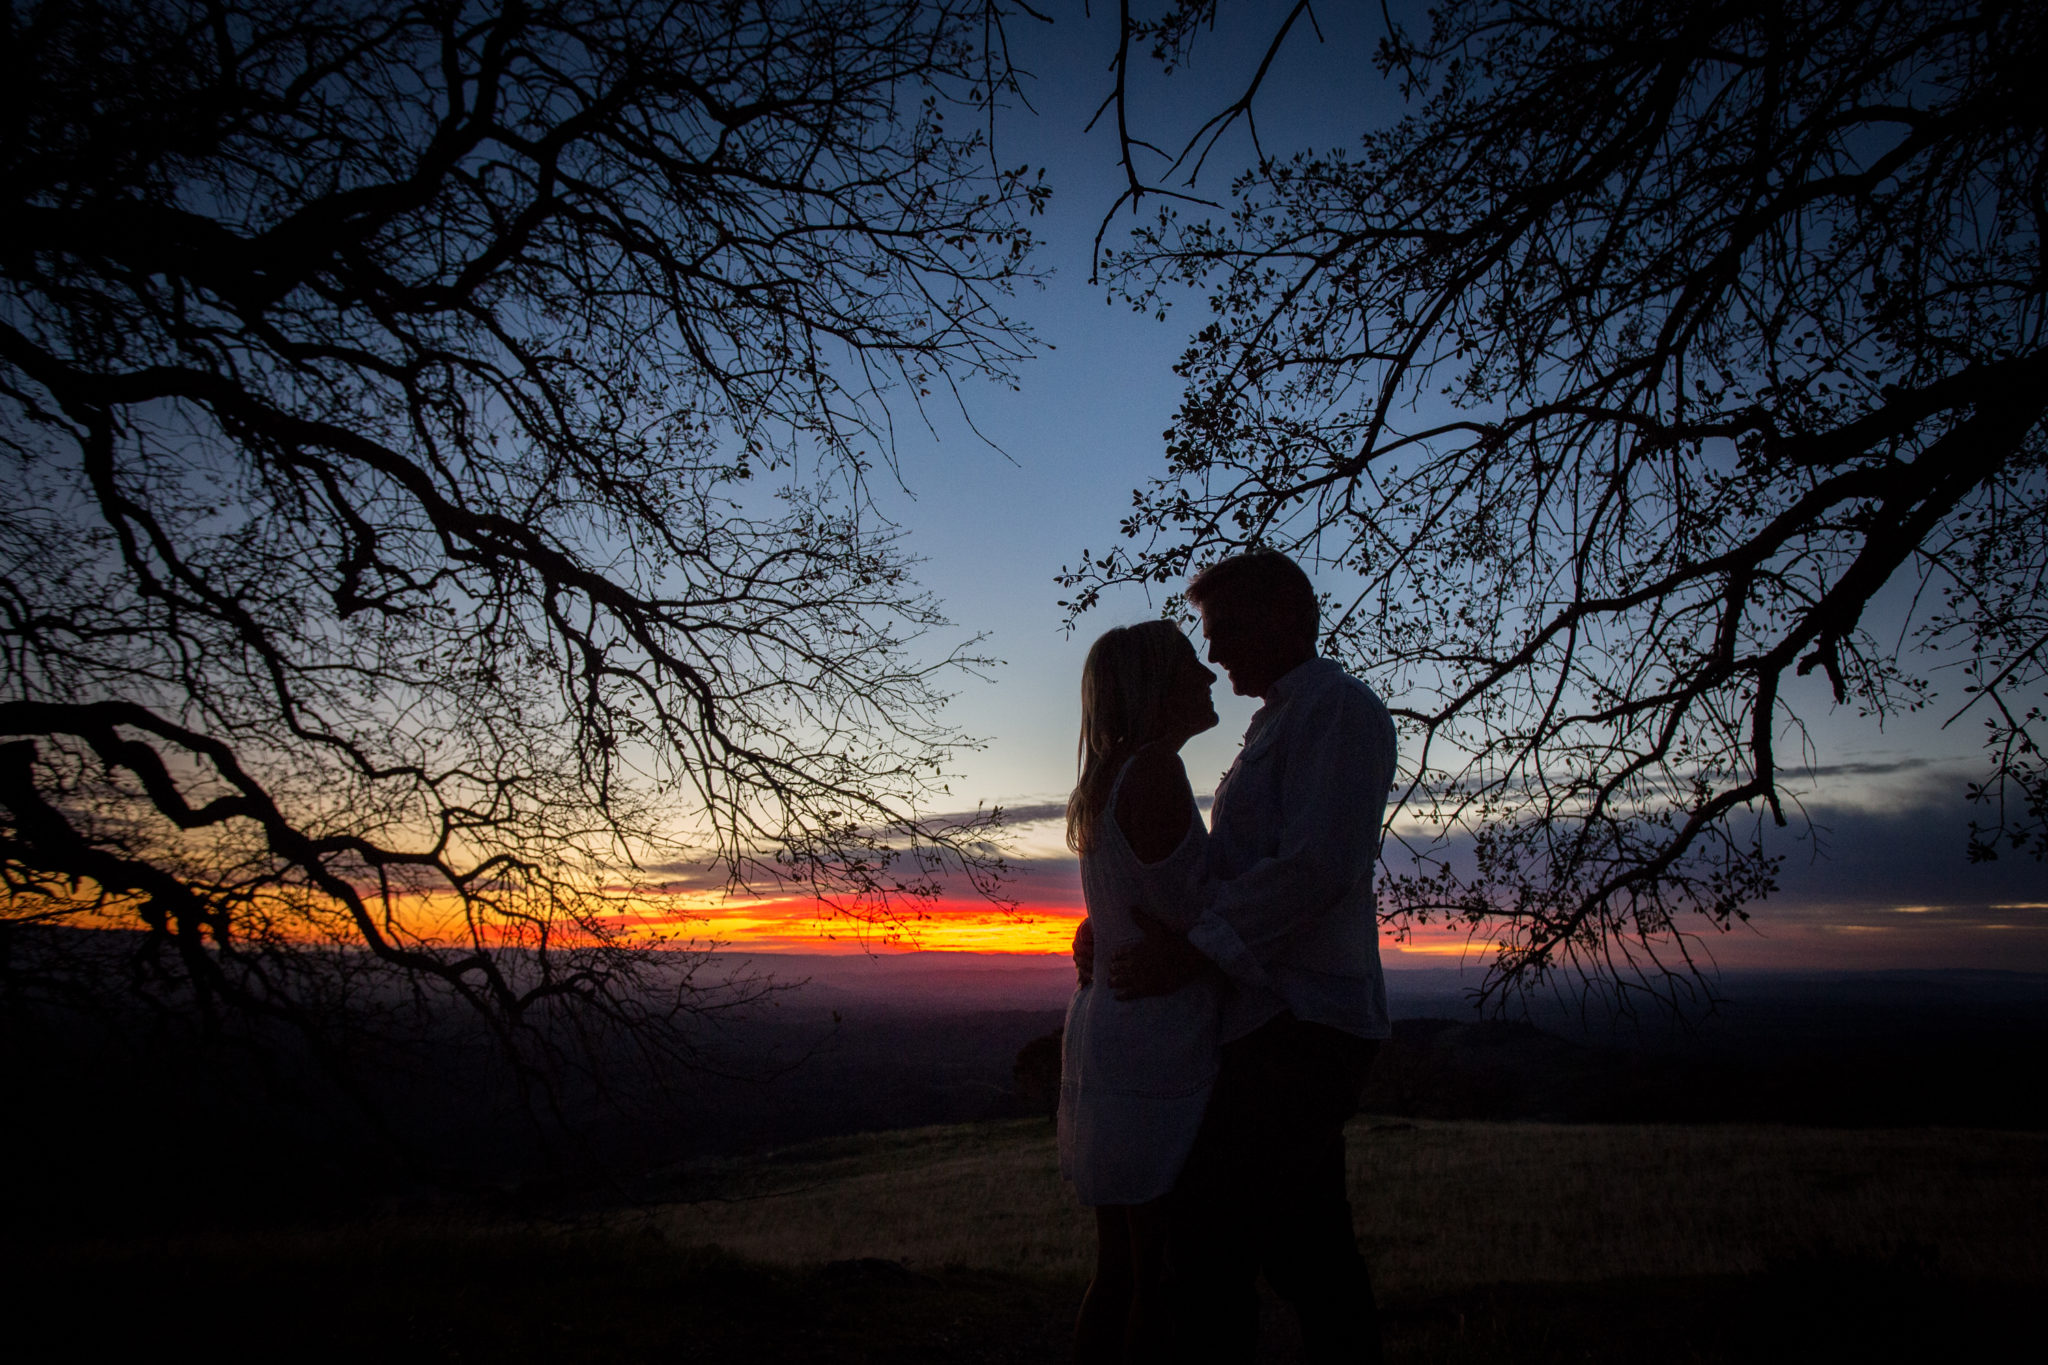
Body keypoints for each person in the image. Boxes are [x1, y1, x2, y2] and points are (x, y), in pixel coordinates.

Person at [1099, 549, 1399, 1364]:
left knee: (1218, 1234)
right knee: (1301, 1242)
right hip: (1272, 1017)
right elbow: (1219, 876)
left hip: (1304, 1018)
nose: (1218, 651)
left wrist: (1191, 953)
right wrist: (1120, 925)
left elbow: (1316, 868)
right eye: (1210, 633)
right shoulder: (1283, 721)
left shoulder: (1336, 711)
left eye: (1227, 629)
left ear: (1287, 617)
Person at [1057, 619, 1224, 1364]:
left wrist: (1100, 932)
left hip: (1116, 1032)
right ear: (1157, 682)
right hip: (1158, 1044)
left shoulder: (1109, 777)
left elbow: (1132, 901)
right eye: (1191, 663)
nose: (1209, 675)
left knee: (1122, 1269)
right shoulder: (1155, 772)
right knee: (1157, 1274)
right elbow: (1206, 917)